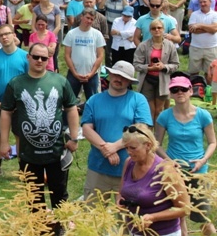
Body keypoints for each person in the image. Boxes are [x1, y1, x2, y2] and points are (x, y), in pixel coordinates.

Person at [0, 43, 80, 235]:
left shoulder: (59, 81)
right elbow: (5, 113)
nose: (39, 61)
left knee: (59, 193)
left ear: (49, 60)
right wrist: (4, 142)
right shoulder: (16, 83)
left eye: (44, 58)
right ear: (28, 57)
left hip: (56, 152)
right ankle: (39, 228)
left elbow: (71, 109)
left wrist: (74, 137)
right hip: (28, 153)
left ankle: (61, 227)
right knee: (33, 196)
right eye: (36, 57)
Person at [81, 61, 152, 203]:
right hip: (98, 167)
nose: (118, 79)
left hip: (131, 168)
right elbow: (86, 129)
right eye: (116, 75)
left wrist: (115, 146)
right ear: (110, 74)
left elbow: (141, 129)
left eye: (124, 77)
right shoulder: (94, 100)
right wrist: (105, 148)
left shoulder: (138, 100)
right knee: (93, 216)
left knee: (128, 217)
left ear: (129, 81)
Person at [155, 76, 217, 236]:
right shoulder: (164, 116)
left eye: (183, 89)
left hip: (199, 170)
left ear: (191, 91)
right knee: (178, 212)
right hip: (174, 170)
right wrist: (169, 161)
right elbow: (157, 144)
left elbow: (212, 142)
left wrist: (203, 160)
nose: (179, 92)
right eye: (175, 90)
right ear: (170, 94)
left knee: (202, 213)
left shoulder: (203, 115)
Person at [118, 123, 189, 236]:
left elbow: (184, 208)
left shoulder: (165, 170)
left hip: (163, 233)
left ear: (148, 145)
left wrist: (153, 217)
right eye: (126, 148)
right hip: (135, 231)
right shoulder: (129, 163)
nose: (129, 152)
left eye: (133, 148)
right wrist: (119, 201)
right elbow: (121, 191)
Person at [0, 24, 28, 181]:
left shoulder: (25, 56)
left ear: (13, 35)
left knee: (20, 136)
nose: (4, 37)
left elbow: (30, 81)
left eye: (7, 34)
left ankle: (23, 169)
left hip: (20, 105)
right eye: (1, 35)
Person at [134, 19, 180, 126]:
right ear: (150, 31)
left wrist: (164, 67)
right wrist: (149, 68)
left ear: (163, 29)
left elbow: (176, 64)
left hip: (163, 80)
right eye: (154, 28)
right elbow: (136, 64)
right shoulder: (143, 45)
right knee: (150, 110)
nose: (157, 30)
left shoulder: (170, 45)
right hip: (147, 80)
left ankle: (158, 135)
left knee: (159, 110)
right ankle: (149, 134)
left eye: (159, 28)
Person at [63, 8, 106, 101]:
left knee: (93, 101)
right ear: (81, 17)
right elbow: (67, 55)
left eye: (92, 19)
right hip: (74, 73)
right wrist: (74, 73)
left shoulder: (97, 34)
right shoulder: (71, 34)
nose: (89, 21)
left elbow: (100, 56)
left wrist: (91, 73)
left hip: (92, 75)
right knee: (69, 101)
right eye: (87, 18)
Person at [187, 0, 217, 76]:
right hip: (196, 48)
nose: (202, 4)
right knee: (193, 72)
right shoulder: (194, 14)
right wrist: (209, 29)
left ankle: (208, 89)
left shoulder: (215, 14)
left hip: (211, 48)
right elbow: (192, 30)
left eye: (205, 2)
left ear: (210, 2)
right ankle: (195, 88)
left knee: (210, 73)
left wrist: (199, 25)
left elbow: (214, 29)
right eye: (200, 2)